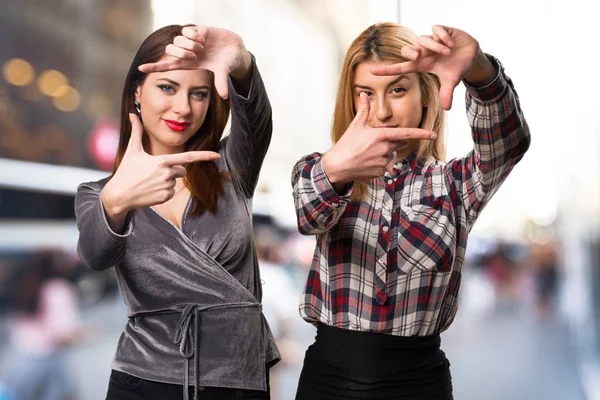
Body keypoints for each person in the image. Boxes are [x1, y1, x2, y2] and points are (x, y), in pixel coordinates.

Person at [291, 22, 530, 399]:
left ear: (424, 96)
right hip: (328, 381)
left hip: (419, 383)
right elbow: (308, 214)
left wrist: (479, 70)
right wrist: (340, 168)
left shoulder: (454, 184)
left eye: (398, 90)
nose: (382, 111)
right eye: (365, 93)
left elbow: (509, 142)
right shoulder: (320, 169)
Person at [75, 24, 280, 400]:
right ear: (137, 91)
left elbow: (257, 117)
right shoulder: (99, 193)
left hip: (238, 382)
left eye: (198, 93)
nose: (183, 108)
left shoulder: (230, 167)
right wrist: (117, 201)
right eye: (167, 87)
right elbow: (95, 254)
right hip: (142, 380)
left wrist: (243, 63)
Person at [2, 250, 86, 400]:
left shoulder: (24, 286)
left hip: (18, 362)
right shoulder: (58, 290)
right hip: (48, 363)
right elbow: (63, 334)